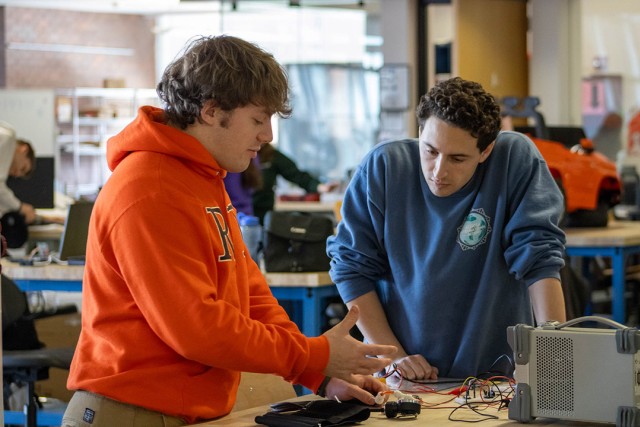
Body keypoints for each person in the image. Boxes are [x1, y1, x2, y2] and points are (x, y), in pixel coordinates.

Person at [62, 35, 395, 427]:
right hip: (132, 412)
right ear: (210, 111)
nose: (268, 135)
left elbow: (248, 293)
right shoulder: (150, 188)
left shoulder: (203, 177)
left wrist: (317, 374)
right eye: (258, 119)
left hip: (180, 410)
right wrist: (310, 354)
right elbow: (198, 328)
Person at [327, 77, 567, 382]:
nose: (439, 171)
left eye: (457, 158)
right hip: (408, 378)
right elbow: (351, 270)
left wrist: (555, 358)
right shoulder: (383, 167)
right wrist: (393, 356)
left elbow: (540, 258)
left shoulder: (513, 159)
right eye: (430, 151)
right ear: (419, 133)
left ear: (486, 151)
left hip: (497, 379)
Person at [253, 143, 339, 223]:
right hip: (242, 214)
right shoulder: (241, 155)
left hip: (263, 215)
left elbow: (297, 175)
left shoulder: (270, 154)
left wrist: (320, 186)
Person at [0, 123, 37, 226]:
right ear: (23, 149)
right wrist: (20, 207)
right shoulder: (7, 137)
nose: (16, 174)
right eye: (23, 168)